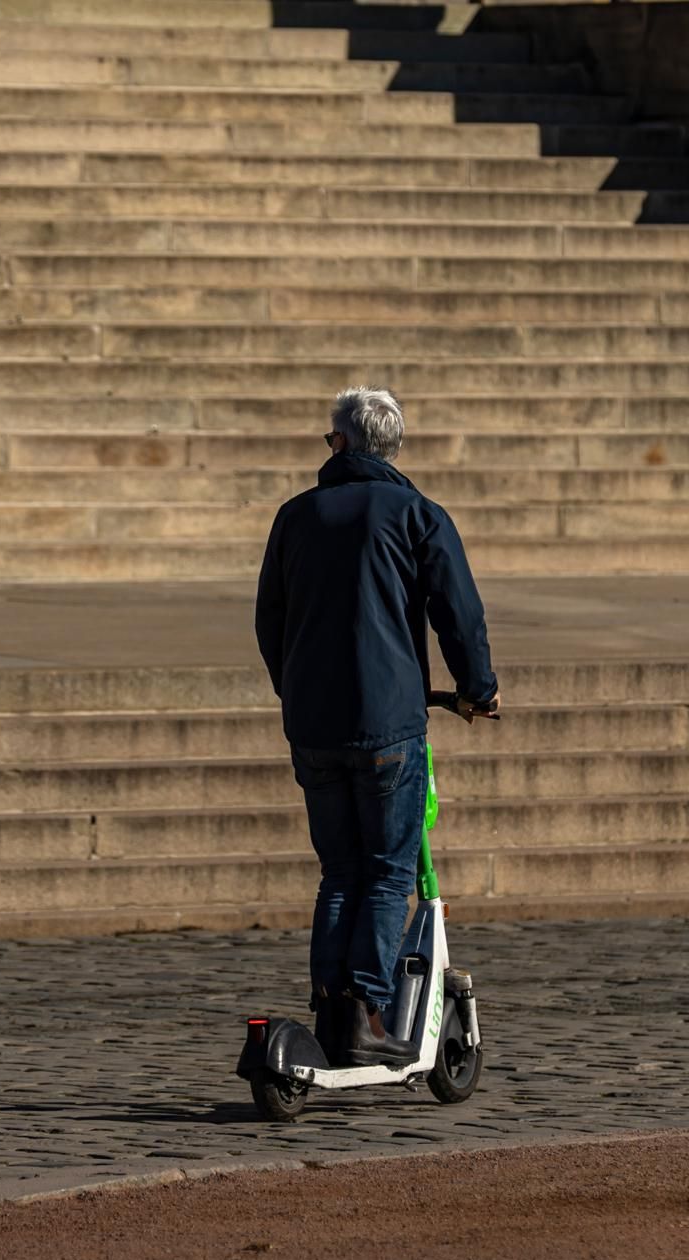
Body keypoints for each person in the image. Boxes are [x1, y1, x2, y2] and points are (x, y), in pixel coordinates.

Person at [254, 386, 500, 1066]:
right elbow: (459, 613)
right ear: (391, 447)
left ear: (338, 442)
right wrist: (478, 691)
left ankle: (332, 1009)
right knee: (390, 874)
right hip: (388, 721)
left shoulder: (295, 516)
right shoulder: (417, 512)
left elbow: (268, 619)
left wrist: (296, 690)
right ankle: (365, 1011)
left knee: (339, 871)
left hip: (313, 725)